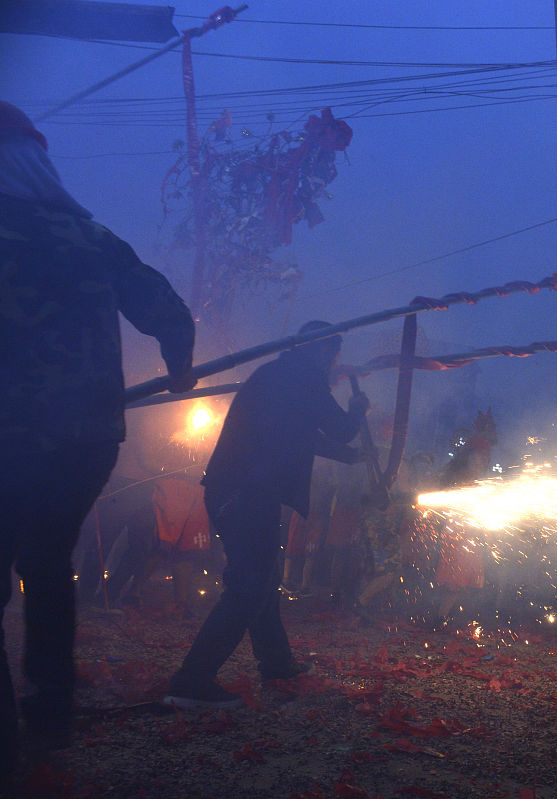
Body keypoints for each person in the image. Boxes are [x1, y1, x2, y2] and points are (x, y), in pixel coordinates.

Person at [0, 101, 195, 772]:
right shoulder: (91, 237)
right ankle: (50, 709)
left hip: (9, 437)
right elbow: (167, 310)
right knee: (50, 567)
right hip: (84, 441)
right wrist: (180, 372)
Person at [163, 321, 367, 709]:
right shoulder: (303, 378)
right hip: (245, 493)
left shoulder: (278, 377)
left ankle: (276, 662)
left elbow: (297, 435)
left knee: (264, 577)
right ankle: (191, 680)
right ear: (324, 351)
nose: (334, 364)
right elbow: (340, 428)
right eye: (334, 355)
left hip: (241, 490)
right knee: (250, 585)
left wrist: (348, 456)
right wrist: (358, 409)